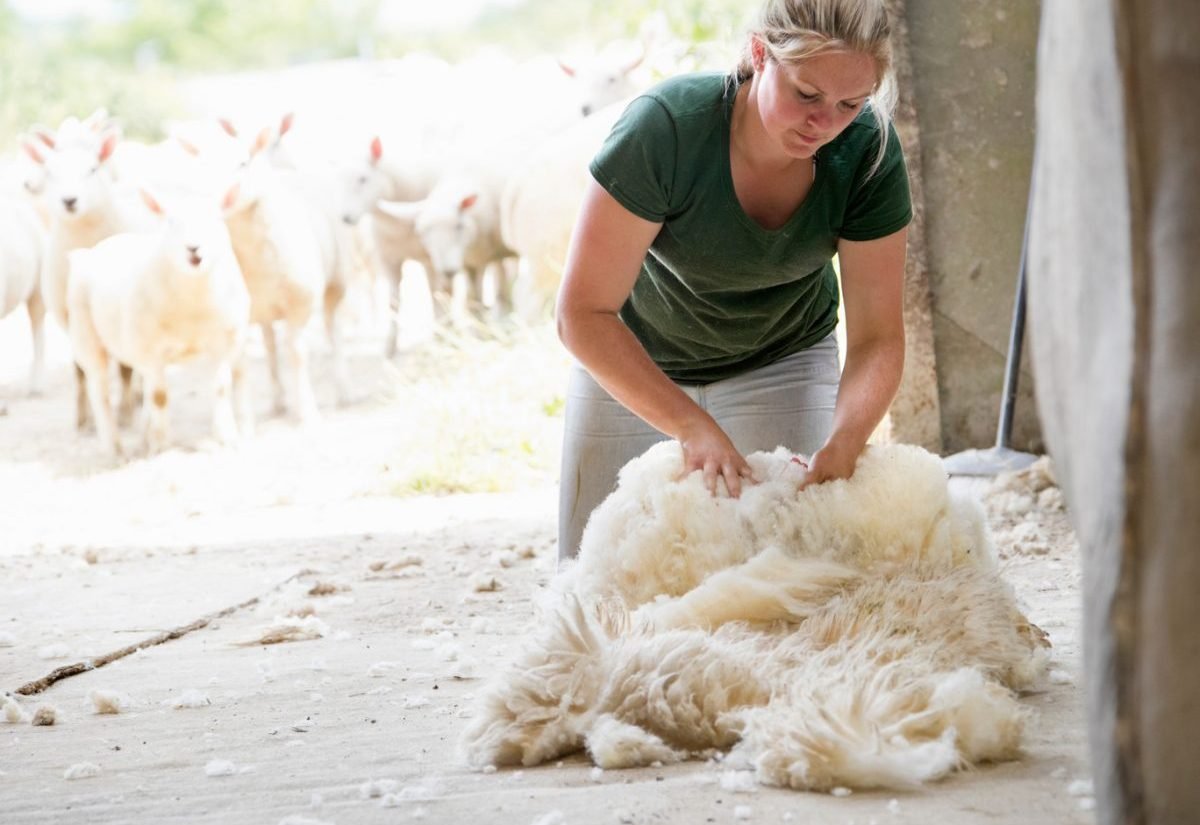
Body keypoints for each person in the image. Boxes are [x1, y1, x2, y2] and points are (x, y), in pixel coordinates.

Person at [555, 0, 911, 562]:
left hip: (783, 355)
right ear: (758, 54)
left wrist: (846, 441)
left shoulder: (867, 153)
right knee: (601, 581)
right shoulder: (667, 128)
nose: (826, 124)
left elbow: (877, 338)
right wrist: (689, 424)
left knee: (787, 573)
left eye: (851, 103)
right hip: (638, 359)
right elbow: (581, 313)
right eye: (806, 95)